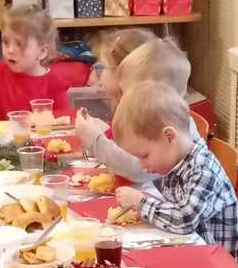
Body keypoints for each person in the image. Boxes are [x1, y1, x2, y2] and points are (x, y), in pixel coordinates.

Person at [112, 81, 238, 262]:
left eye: (144, 155)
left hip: (218, 266)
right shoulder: (176, 161)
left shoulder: (203, 169)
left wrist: (141, 203)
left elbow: (184, 220)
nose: (141, 164)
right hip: (191, 252)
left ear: (169, 137)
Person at [76, 34, 192, 185]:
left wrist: (95, 141)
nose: (126, 100)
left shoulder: (167, 123)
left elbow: (139, 170)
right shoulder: (161, 114)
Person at [0, 4, 74, 123]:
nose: (10, 50)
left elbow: (64, 120)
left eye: (20, 44)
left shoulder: (55, 84)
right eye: (5, 42)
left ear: (42, 52)